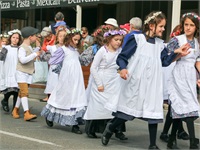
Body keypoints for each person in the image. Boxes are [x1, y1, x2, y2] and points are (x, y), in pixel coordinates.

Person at [101, 11, 190, 149]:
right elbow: (122, 57)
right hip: (135, 82)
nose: (163, 29)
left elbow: (165, 61)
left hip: (151, 84)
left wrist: (177, 53)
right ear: (151, 25)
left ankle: (152, 145)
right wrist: (123, 69)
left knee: (152, 112)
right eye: (161, 26)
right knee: (127, 113)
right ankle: (110, 128)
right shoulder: (137, 39)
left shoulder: (160, 44)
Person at [41, 28, 87, 134]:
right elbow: (53, 60)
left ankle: (75, 124)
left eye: (78, 40)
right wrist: (59, 67)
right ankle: (50, 116)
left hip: (77, 79)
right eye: (74, 40)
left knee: (76, 98)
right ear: (69, 39)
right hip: (66, 79)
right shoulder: (63, 49)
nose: (76, 42)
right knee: (61, 97)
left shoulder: (76, 51)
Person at [83, 29, 127, 139]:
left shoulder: (120, 51)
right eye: (116, 40)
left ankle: (117, 130)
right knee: (98, 106)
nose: (118, 42)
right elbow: (93, 68)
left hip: (114, 80)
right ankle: (91, 129)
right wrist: (99, 84)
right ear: (109, 39)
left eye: (120, 40)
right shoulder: (103, 50)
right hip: (102, 79)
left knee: (115, 105)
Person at [166, 12, 200, 149]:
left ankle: (171, 139)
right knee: (184, 107)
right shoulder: (177, 40)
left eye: (192, 25)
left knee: (184, 109)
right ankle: (192, 141)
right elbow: (167, 57)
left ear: (196, 27)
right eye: (186, 24)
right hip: (179, 74)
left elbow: (197, 61)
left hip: (190, 76)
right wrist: (179, 53)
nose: (188, 27)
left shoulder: (197, 42)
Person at [160, 24, 189, 143]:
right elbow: (167, 62)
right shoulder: (172, 45)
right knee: (174, 107)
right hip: (173, 79)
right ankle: (167, 133)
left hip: (183, 79)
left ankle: (178, 131)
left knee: (177, 107)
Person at [12, 26, 42, 121]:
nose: (36, 37)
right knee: (25, 92)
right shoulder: (22, 48)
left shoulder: (29, 47)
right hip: (21, 72)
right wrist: (35, 54)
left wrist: (37, 49)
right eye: (35, 35)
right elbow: (23, 60)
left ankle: (15, 110)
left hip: (28, 73)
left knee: (22, 93)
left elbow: (30, 54)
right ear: (30, 37)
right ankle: (26, 113)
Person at [0, 29, 22, 112]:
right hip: (8, 70)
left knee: (16, 91)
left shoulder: (20, 49)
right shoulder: (6, 48)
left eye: (17, 38)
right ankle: (5, 100)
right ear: (10, 38)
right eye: (13, 37)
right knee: (9, 89)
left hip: (17, 71)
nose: (15, 39)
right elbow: (1, 58)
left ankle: (14, 109)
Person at [42, 28, 67, 102]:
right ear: (57, 37)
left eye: (64, 36)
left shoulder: (68, 48)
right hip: (54, 71)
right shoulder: (52, 48)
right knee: (52, 87)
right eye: (60, 36)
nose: (62, 38)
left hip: (64, 70)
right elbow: (45, 55)